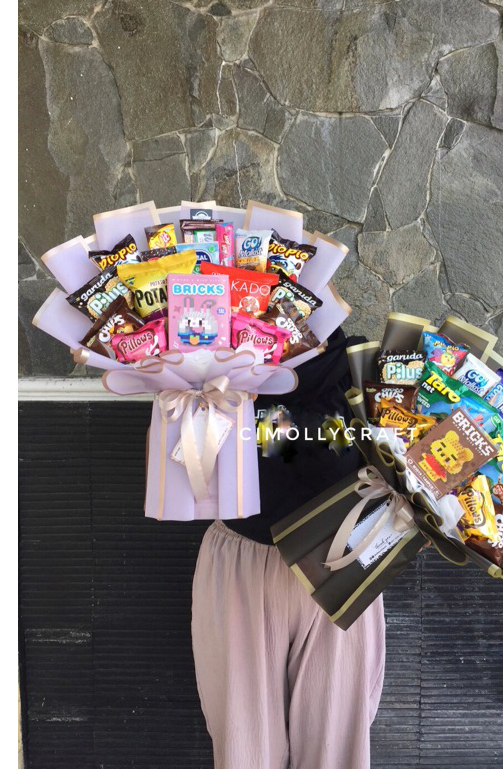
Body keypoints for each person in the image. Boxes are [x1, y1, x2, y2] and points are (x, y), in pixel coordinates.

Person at [191, 327, 386, 769]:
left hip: (340, 558)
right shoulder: (209, 356)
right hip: (243, 558)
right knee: (245, 741)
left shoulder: (362, 365)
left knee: (335, 742)